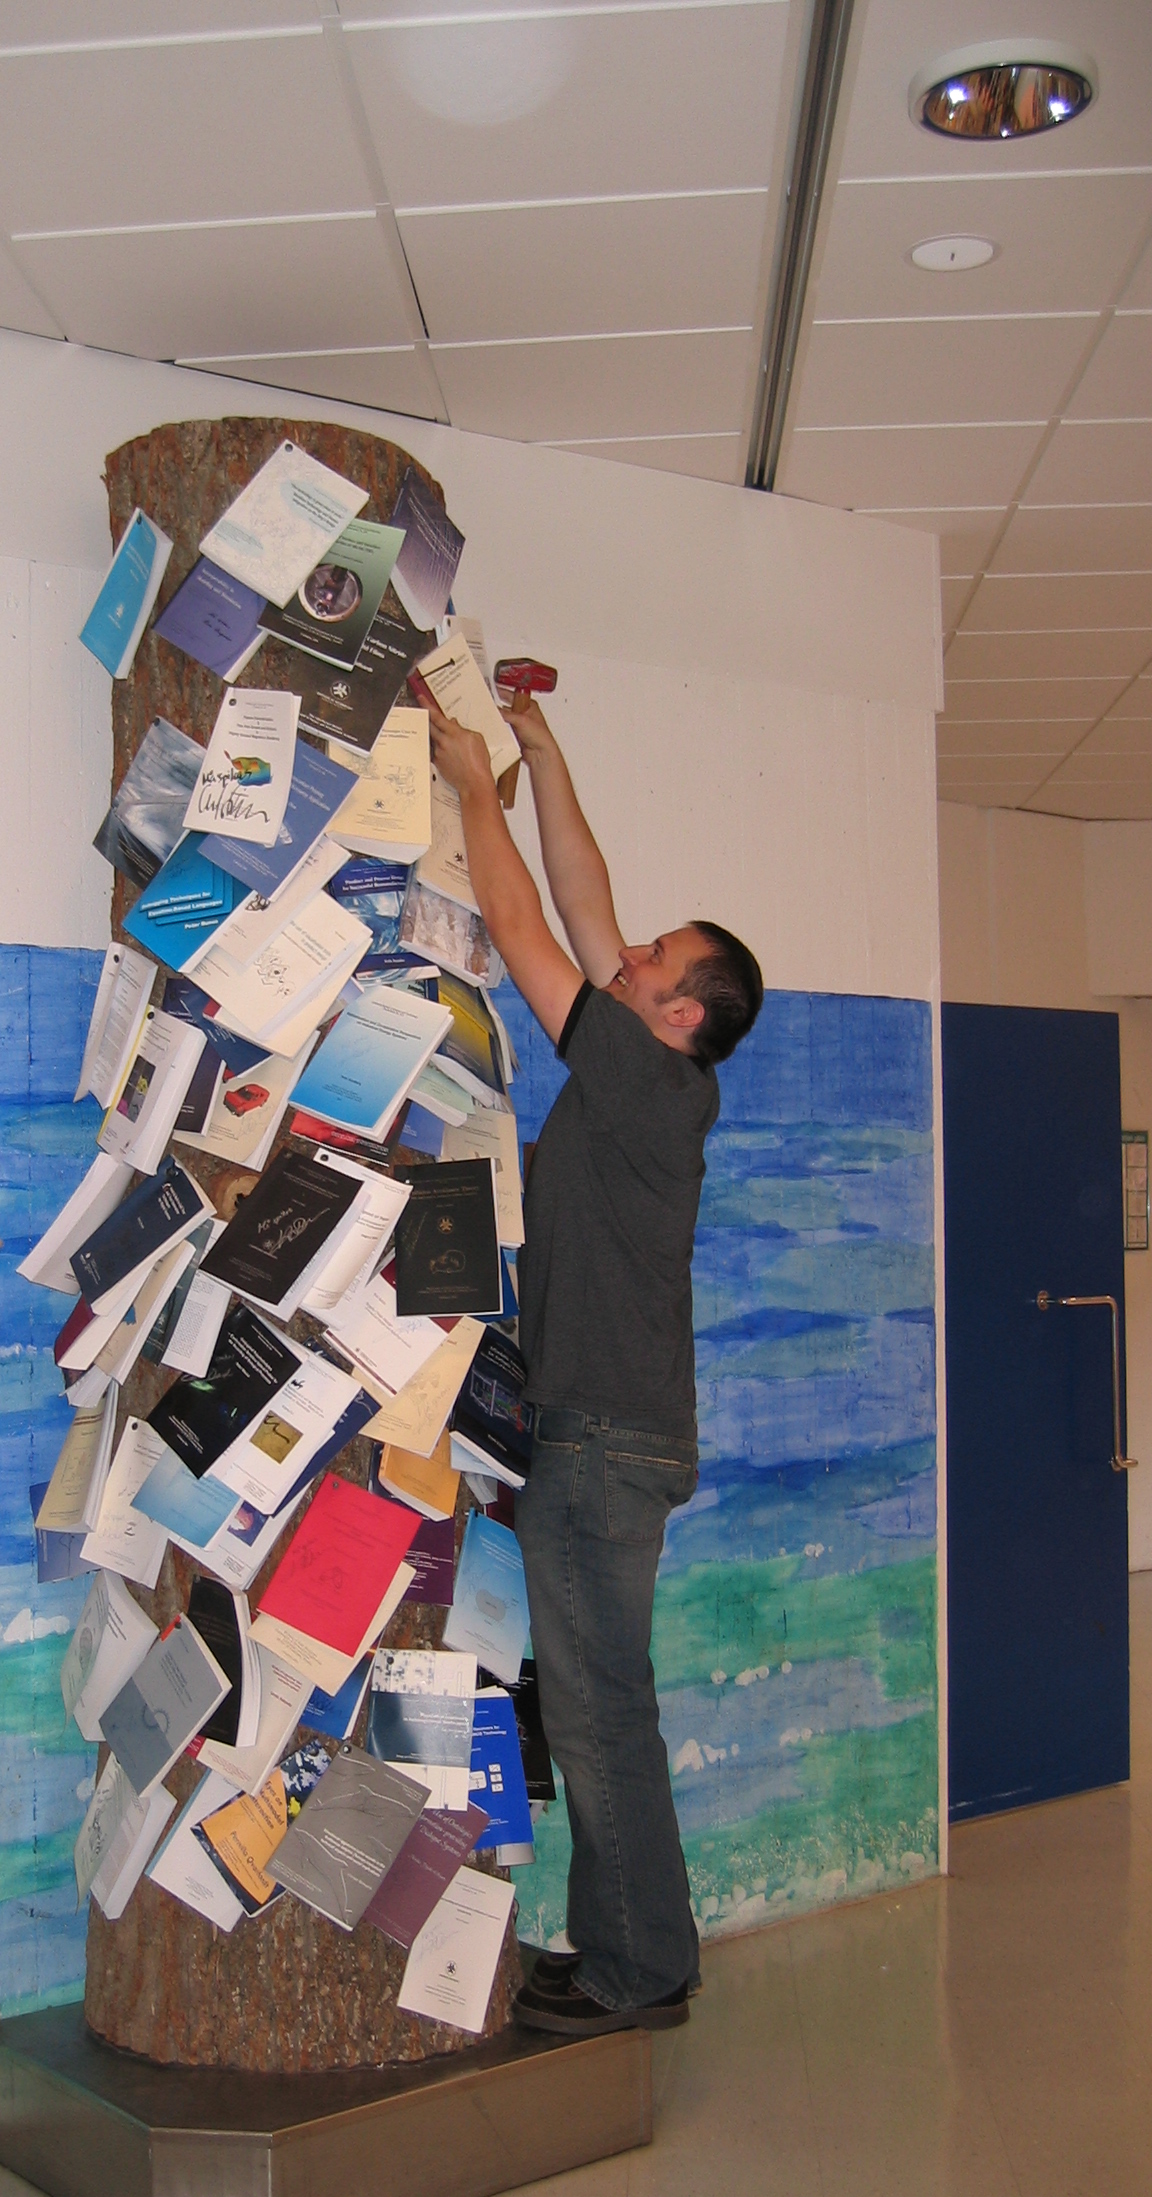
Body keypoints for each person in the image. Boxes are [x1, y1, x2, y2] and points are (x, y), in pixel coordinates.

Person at [427, 691, 763, 2038]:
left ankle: (636, 1972)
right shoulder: (658, 1075)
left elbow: (525, 929)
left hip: (602, 1447)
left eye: (653, 959)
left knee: (601, 1714)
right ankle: (641, 1949)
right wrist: (542, 754)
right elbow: (580, 901)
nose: (626, 954)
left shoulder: (645, 1080)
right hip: (616, 1441)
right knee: (607, 1704)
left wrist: (473, 786)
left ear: (678, 1012)